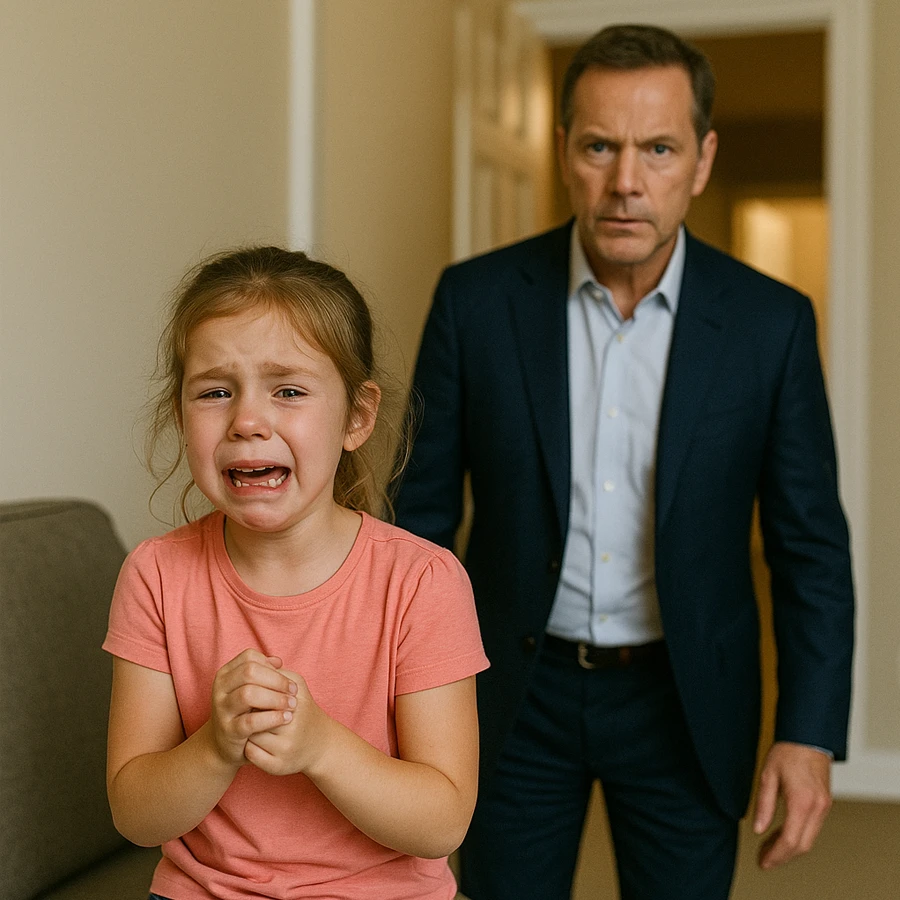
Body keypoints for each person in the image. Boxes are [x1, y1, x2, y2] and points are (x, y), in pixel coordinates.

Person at [393, 23, 854, 900]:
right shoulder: (475, 302)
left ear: (703, 159)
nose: (626, 182)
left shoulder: (771, 325)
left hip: (685, 699)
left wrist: (809, 732)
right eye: (600, 146)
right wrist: (404, 695)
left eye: (659, 149)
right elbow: (418, 523)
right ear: (564, 149)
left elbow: (812, 550)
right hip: (510, 693)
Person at [103, 246, 489, 900]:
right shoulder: (155, 576)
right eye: (215, 392)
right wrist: (215, 745)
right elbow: (136, 816)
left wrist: (320, 747)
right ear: (180, 414)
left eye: (288, 390)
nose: (248, 422)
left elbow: (442, 823)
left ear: (357, 417)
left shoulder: (424, 582)